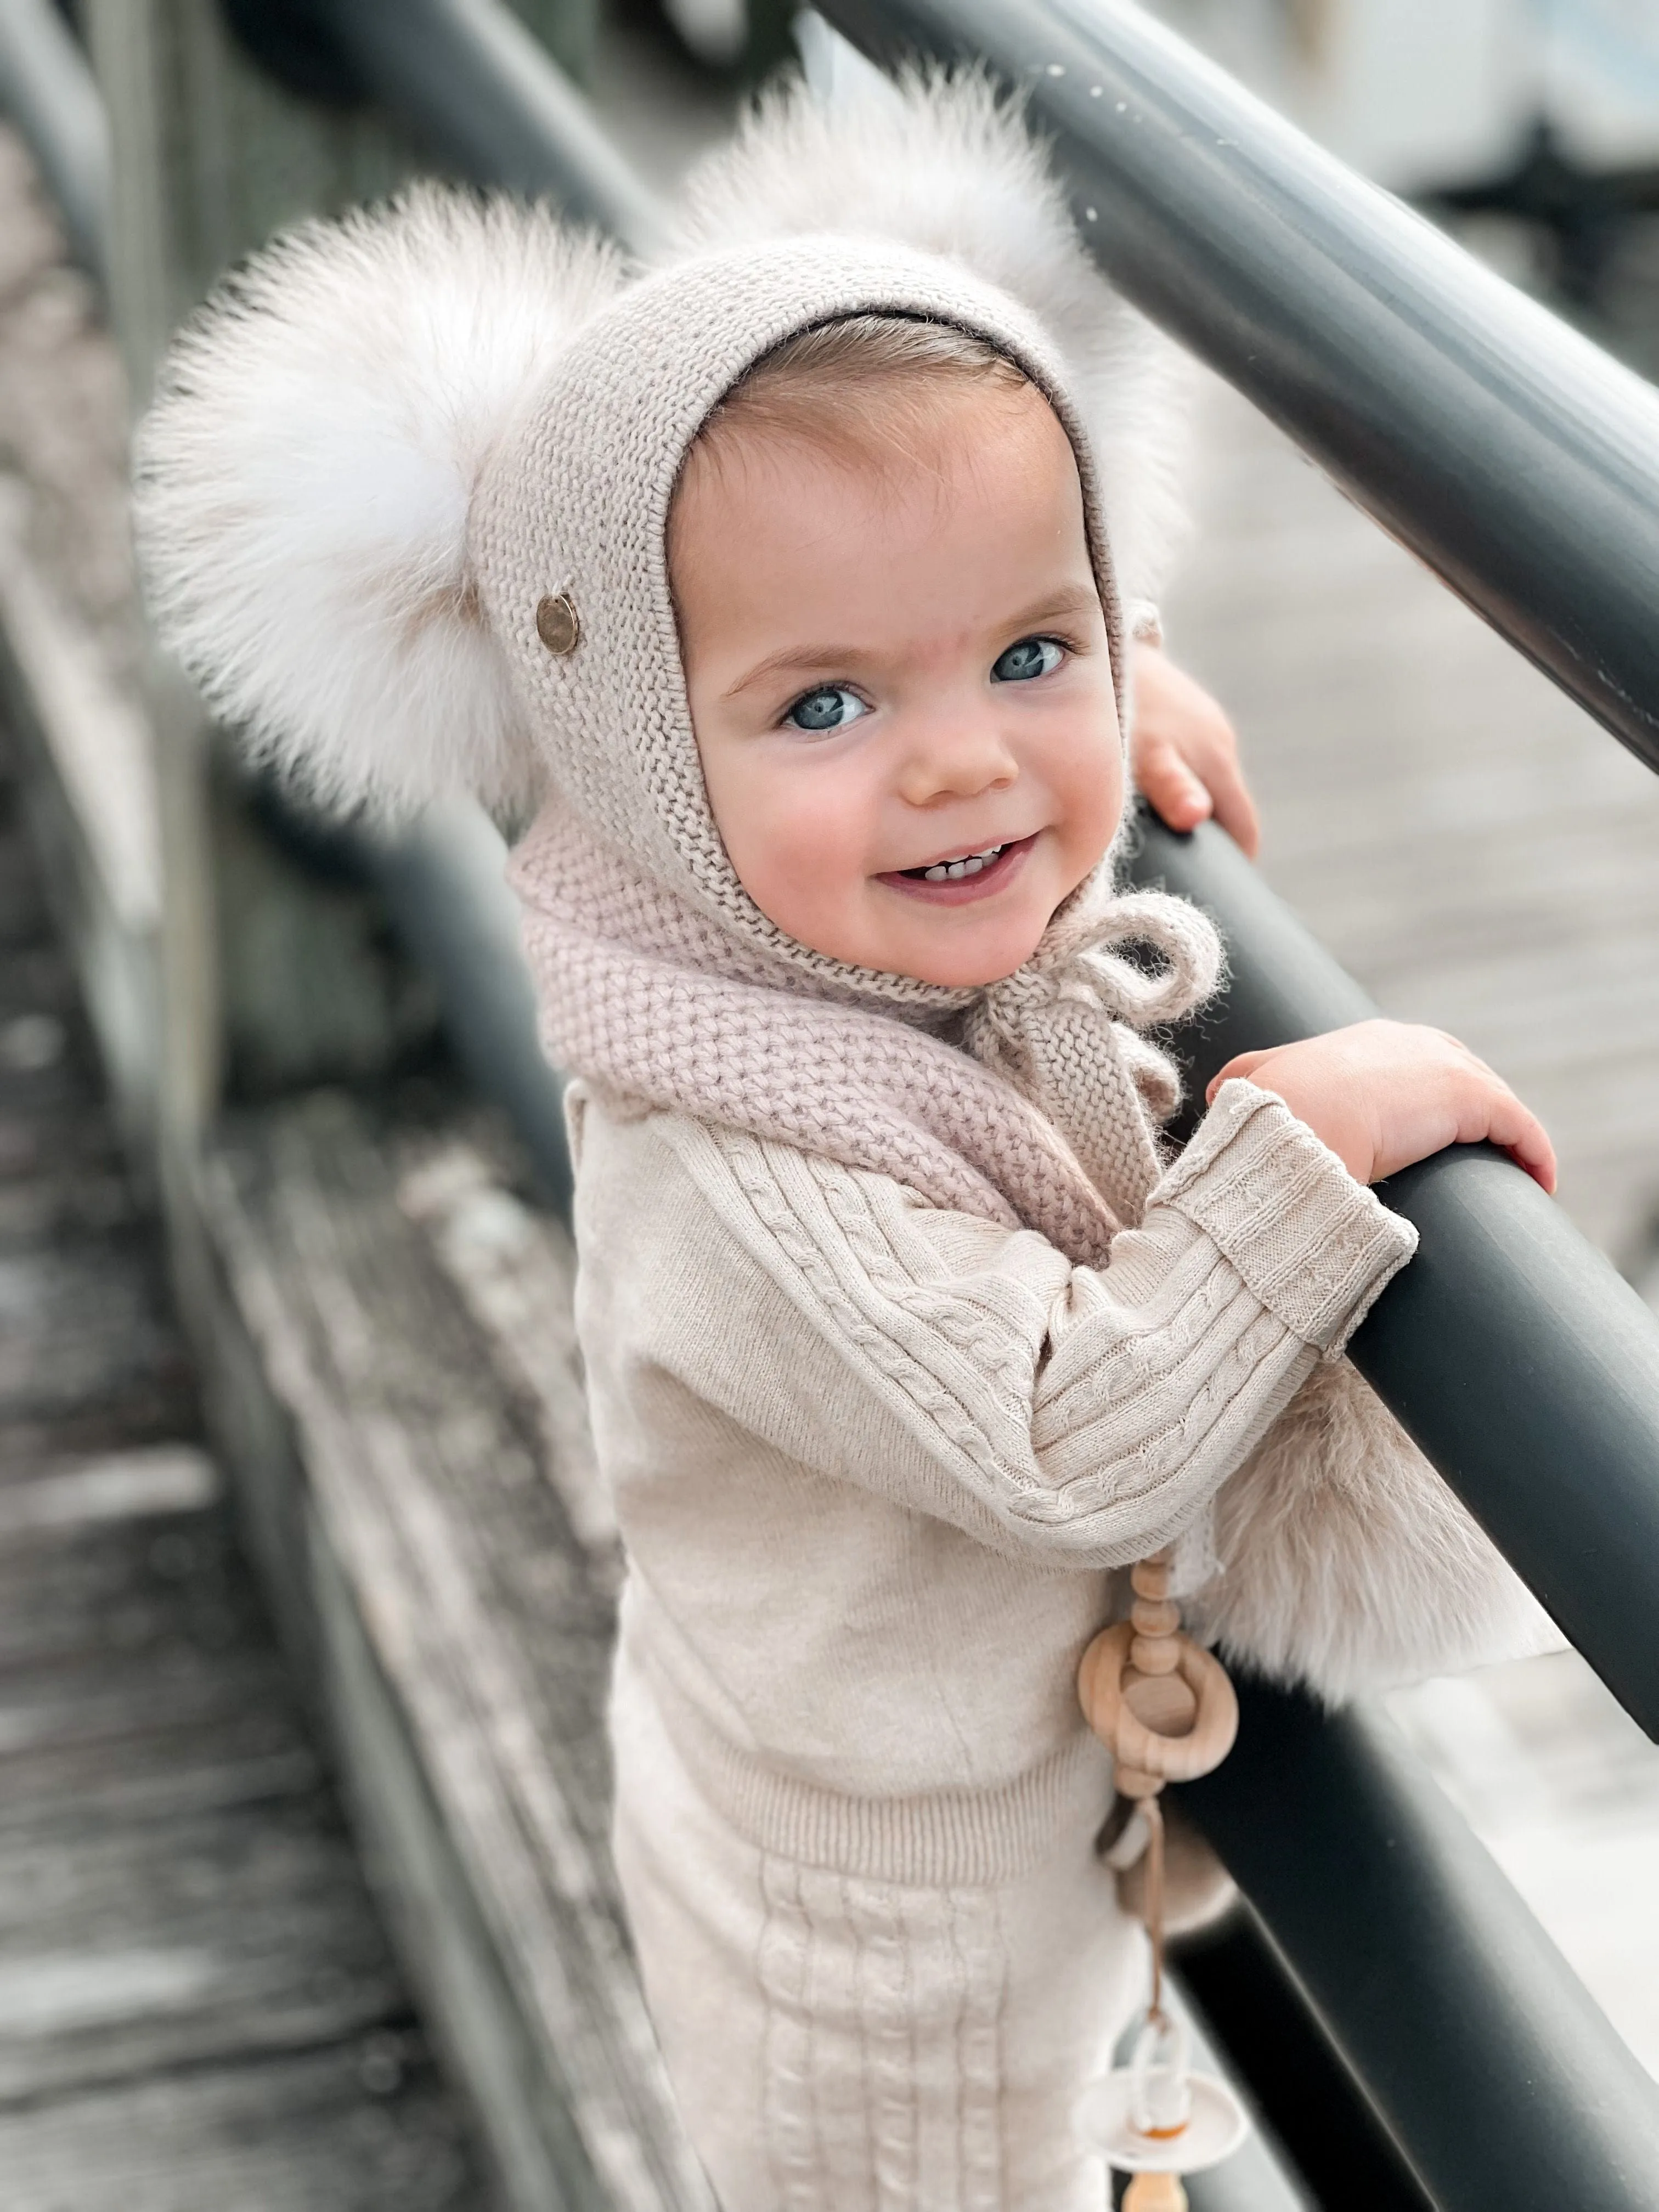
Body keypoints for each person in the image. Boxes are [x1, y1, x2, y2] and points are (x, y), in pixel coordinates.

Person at [134, 72, 1555, 2210]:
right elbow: (1073, 1436)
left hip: (952, 1776)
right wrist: (1285, 1149)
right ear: (629, 741)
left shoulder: (731, 902)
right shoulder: (751, 1162)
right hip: (881, 1944)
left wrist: (1102, 689)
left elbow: (907, 672)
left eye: (1027, 647)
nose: (959, 768)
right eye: (825, 706)